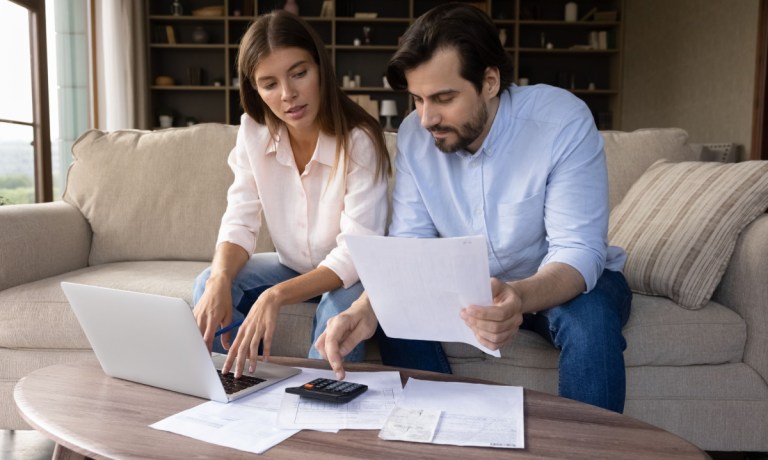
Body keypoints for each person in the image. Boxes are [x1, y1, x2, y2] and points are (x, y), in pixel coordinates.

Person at [315, 2, 632, 413]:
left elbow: (578, 251)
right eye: (417, 99)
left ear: (490, 81)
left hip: (560, 279)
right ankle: (447, 429)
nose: (427, 118)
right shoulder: (415, 135)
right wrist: (364, 309)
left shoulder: (561, 121)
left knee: (591, 325)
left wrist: (517, 294)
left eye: (444, 98)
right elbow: (411, 248)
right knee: (396, 321)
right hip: (469, 286)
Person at [192, 10, 391, 379]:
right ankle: (239, 379)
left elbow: (355, 253)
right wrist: (221, 277)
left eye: (299, 73)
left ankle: (315, 399)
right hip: (291, 264)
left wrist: (276, 295)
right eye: (269, 84)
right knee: (208, 282)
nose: (288, 95)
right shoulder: (254, 131)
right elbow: (240, 219)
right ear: (255, 90)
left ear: (320, 68)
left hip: (350, 276)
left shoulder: (359, 139)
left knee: (336, 309)